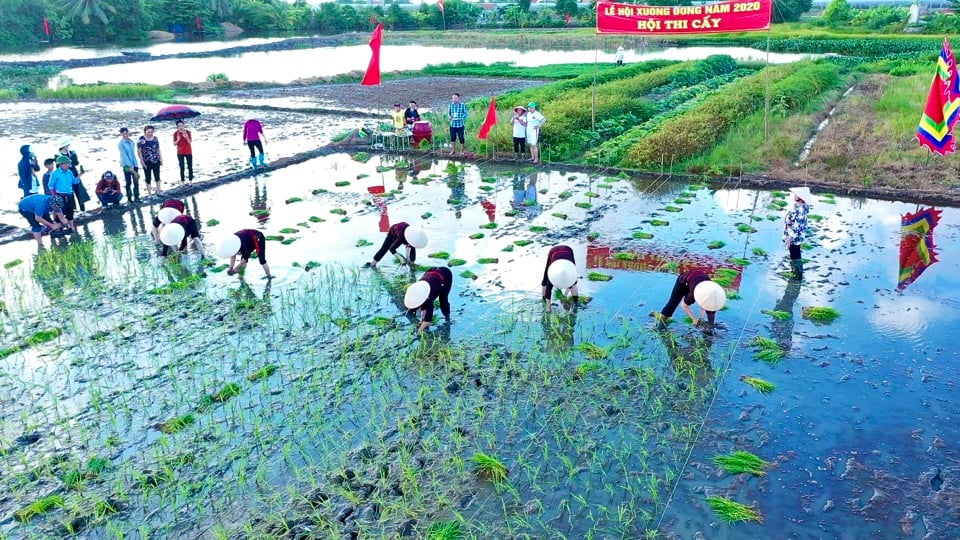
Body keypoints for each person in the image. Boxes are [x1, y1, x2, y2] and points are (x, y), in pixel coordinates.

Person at [654, 269, 726, 329]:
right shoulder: (694, 294)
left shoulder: (714, 297)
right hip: (683, 281)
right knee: (672, 303)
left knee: (710, 320)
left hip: (699, 279)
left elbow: (709, 312)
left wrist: (709, 325)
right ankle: (660, 326)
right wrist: (693, 319)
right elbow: (684, 305)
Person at [404, 267, 452, 334]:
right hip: (431, 272)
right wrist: (417, 322)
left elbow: (427, 322)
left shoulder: (427, 297)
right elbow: (408, 313)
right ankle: (423, 317)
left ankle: (448, 319)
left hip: (445, 274)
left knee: (443, 300)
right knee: (419, 309)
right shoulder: (415, 290)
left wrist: (419, 332)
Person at [783, 186, 811, 281]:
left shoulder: (801, 210)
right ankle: (795, 272)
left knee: (795, 254)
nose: (794, 196)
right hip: (792, 234)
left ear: (800, 197)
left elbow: (797, 226)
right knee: (794, 254)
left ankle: (797, 276)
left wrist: (789, 238)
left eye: (796, 194)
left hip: (795, 236)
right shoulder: (798, 207)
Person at [56, 138, 89, 216]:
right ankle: (72, 212)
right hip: (65, 179)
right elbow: (58, 167)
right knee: (69, 195)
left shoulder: (72, 153)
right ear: (63, 146)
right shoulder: (58, 156)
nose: (68, 147)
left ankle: (83, 211)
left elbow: (76, 163)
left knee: (79, 193)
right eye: (67, 145)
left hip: (75, 175)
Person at [542, 244, 579, 311]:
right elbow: (548, 290)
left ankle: (576, 303)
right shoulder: (553, 275)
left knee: (574, 282)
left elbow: (572, 283)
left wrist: (564, 296)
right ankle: (544, 301)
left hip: (568, 251)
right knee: (545, 278)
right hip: (553, 252)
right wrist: (548, 308)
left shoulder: (571, 272)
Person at [48, 155, 80, 229]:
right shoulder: (55, 173)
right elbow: (50, 186)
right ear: (62, 164)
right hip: (61, 195)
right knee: (61, 212)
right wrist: (55, 196)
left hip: (70, 194)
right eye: (67, 163)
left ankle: (72, 227)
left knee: (70, 211)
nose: (69, 164)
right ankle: (60, 227)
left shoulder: (69, 172)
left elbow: (74, 182)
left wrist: (79, 176)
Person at [137, 125, 162, 197]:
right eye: (148, 132)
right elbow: (139, 152)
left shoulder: (155, 139)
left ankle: (159, 190)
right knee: (148, 178)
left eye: (151, 132)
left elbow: (158, 149)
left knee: (157, 176)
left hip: (156, 160)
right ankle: (149, 193)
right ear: (145, 132)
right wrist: (142, 162)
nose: (149, 133)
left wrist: (161, 159)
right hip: (146, 161)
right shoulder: (141, 139)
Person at [118, 128, 140, 201]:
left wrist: (134, 165)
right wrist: (130, 166)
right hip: (126, 165)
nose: (125, 135)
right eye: (123, 134)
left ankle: (137, 197)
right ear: (121, 134)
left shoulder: (132, 142)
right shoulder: (121, 144)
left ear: (128, 133)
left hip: (134, 163)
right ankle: (129, 198)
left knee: (136, 180)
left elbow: (133, 154)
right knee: (128, 182)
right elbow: (124, 156)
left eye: (126, 133)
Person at [173, 119, 194, 184]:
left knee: (190, 166)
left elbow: (189, 142)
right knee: (182, 167)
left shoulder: (188, 132)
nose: (181, 127)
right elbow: (174, 144)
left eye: (182, 125)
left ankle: (190, 180)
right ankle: (182, 181)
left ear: (184, 125)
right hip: (180, 152)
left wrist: (186, 137)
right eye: (179, 126)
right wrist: (178, 139)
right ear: (177, 126)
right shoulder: (175, 133)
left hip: (188, 151)